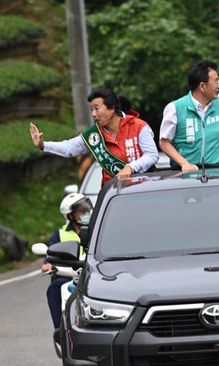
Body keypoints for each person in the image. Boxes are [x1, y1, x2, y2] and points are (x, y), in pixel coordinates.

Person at [29, 88, 158, 185]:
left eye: (97, 108)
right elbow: (69, 148)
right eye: (91, 109)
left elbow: (152, 155)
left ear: (111, 108)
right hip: (114, 194)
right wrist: (43, 145)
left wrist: (131, 167)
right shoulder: (93, 135)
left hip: (143, 189)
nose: (94, 114)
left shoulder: (138, 126)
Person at [42, 193, 92, 333]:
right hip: (68, 276)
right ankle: (60, 329)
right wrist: (48, 264)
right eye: (82, 211)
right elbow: (49, 255)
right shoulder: (59, 234)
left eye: (87, 208)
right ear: (70, 215)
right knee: (54, 288)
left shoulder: (96, 229)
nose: (86, 213)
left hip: (92, 273)